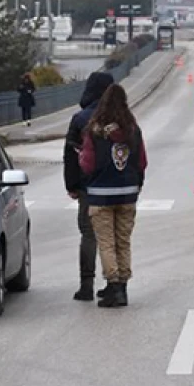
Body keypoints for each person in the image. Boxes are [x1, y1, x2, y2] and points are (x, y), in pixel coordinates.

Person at [78, 84, 148, 308]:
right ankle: (123, 287)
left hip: (100, 195)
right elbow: (142, 162)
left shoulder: (94, 131)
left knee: (106, 243)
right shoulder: (132, 130)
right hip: (128, 194)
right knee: (123, 242)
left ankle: (114, 286)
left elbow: (87, 165)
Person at [63, 71, 115, 301]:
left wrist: (72, 185)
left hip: (88, 186)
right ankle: (115, 284)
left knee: (89, 234)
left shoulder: (80, 119)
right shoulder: (121, 118)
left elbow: (70, 156)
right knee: (113, 235)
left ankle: (86, 286)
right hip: (116, 186)